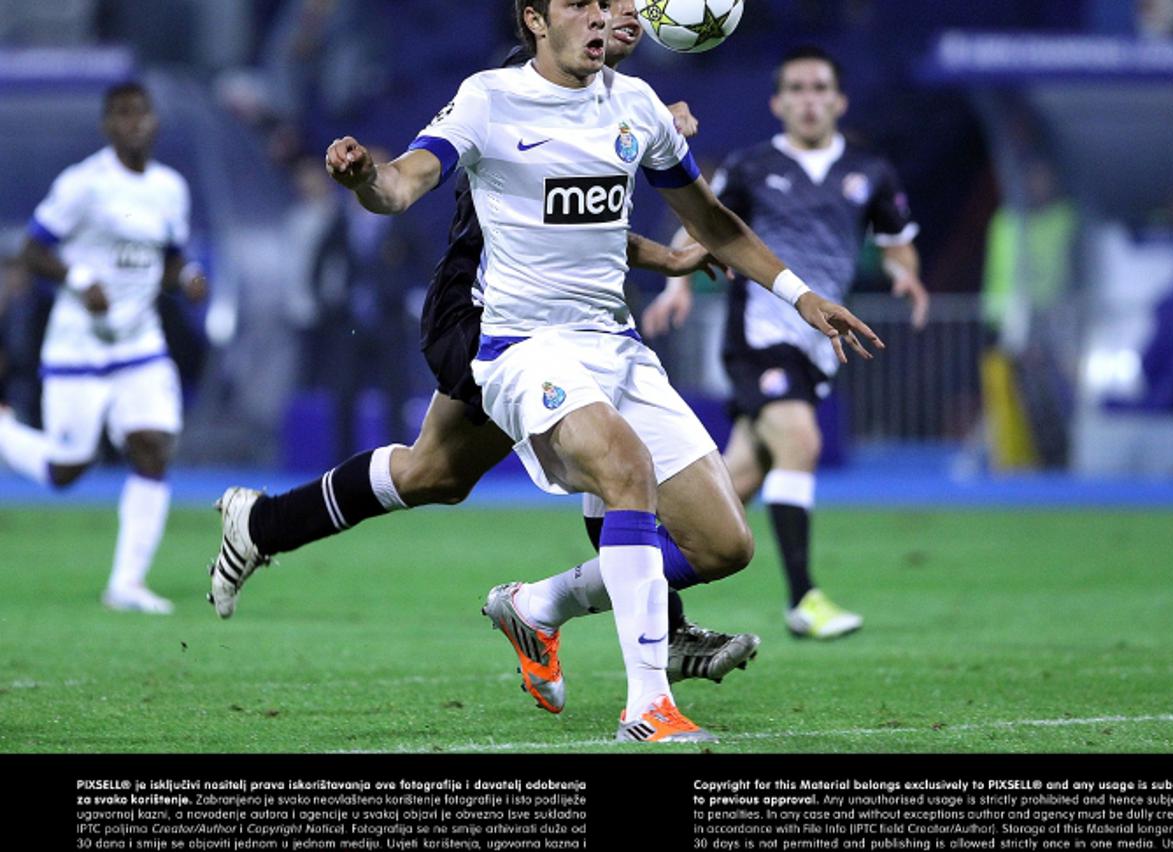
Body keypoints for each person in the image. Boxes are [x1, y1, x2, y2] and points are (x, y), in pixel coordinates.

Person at [309, 0, 880, 742]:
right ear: (535, 19)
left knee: (723, 545)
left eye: (605, 3)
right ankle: (648, 708)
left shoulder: (638, 105)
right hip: (522, 347)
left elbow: (711, 222)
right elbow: (401, 185)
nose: (600, 17)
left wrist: (801, 296)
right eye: (578, 4)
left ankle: (537, 605)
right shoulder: (488, 97)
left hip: (613, 346)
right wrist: (363, 180)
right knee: (622, 467)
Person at [209, 1, 768, 719]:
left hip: (560, 318)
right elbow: (531, 215)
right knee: (594, 456)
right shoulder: (516, 89)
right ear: (544, 24)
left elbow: (591, 225)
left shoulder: (621, 105)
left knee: (438, 473)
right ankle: (646, 630)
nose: (623, 17)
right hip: (481, 305)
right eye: (604, 6)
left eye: (628, 7)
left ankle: (261, 526)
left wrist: (664, 250)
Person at [644, 46, 926, 639]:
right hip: (760, 336)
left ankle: (629, 575)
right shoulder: (750, 166)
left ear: (839, 100)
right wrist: (679, 288)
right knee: (800, 438)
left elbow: (898, 238)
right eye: (795, 88)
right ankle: (804, 598)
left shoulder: (870, 173)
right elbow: (701, 220)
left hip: (820, 344)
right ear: (777, 102)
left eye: (819, 87)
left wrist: (906, 273)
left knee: (735, 485)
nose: (808, 98)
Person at [0, 82, 207, 614]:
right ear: (106, 126)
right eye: (120, 114)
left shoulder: (170, 188)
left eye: (140, 113)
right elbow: (31, 250)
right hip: (79, 346)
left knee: (153, 447)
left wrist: (186, 277)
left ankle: (126, 584)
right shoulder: (83, 184)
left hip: (139, 342)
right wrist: (78, 278)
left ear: (154, 122)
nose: (132, 123)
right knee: (67, 470)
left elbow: (168, 260)